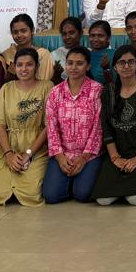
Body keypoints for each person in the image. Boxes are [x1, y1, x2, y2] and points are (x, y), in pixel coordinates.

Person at [94, 45, 136, 206]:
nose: (126, 66)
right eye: (121, 62)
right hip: (117, 150)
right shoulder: (108, 91)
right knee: (103, 200)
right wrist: (115, 157)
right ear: (115, 67)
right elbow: (106, 127)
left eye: (131, 62)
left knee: (135, 199)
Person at [0, 46, 51, 207]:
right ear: (14, 67)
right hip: (8, 146)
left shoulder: (47, 87)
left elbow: (48, 126)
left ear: (37, 66)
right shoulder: (6, 88)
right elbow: (0, 124)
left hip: (36, 148)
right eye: (19, 65)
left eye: (29, 64)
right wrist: (9, 154)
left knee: (32, 194)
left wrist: (29, 153)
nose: (24, 69)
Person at [43, 46, 103, 203]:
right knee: (51, 196)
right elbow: (51, 128)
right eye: (70, 63)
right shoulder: (55, 92)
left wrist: (84, 157)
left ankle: (76, 184)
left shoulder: (97, 90)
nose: (74, 67)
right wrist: (60, 157)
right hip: (63, 153)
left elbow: (98, 128)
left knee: (83, 194)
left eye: (79, 63)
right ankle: (68, 182)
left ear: (88, 66)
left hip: (89, 154)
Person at [1, 13, 56, 83]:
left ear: (32, 31)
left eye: (23, 31)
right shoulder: (7, 54)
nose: (19, 35)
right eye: (15, 32)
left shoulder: (42, 54)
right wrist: (10, 74)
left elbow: (44, 83)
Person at [50, 16, 85, 82]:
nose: (67, 37)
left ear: (80, 33)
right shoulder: (54, 55)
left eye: (71, 33)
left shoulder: (89, 53)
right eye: (64, 34)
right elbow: (50, 83)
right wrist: (57, 74)